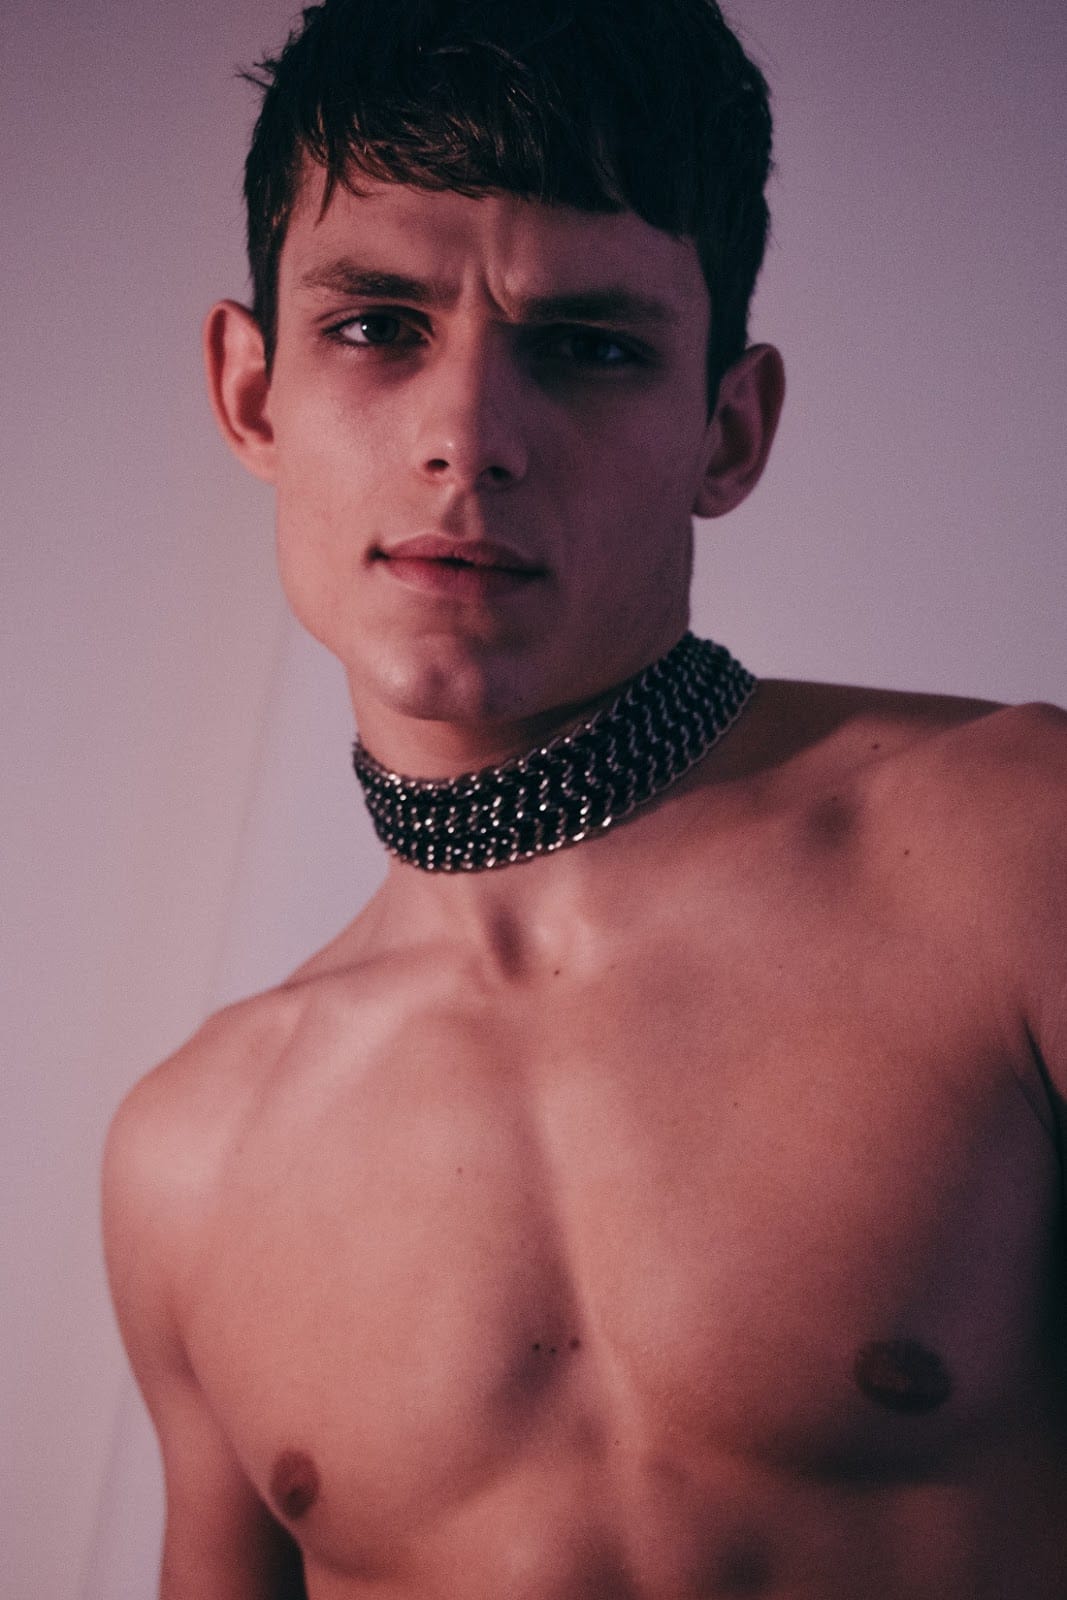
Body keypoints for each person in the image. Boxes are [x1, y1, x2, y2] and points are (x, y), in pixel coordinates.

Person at [102, 0, 1067, 1594]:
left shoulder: (1020, 852)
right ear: (252, 391)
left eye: (589, 347)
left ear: (729, 431)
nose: (468, 439)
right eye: (377, 326)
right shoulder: (187, 1164)